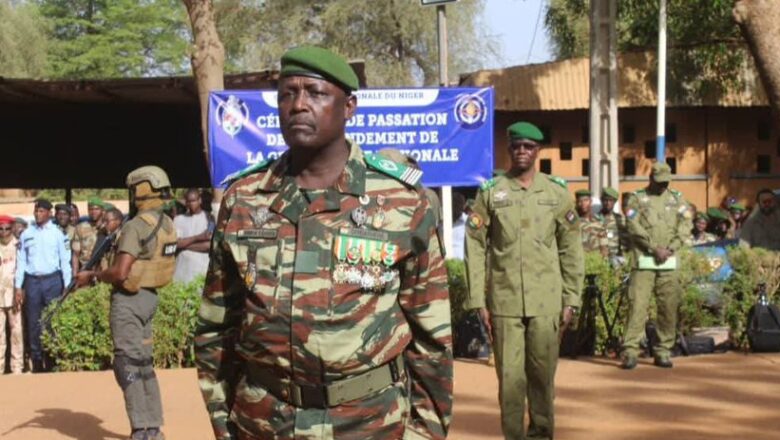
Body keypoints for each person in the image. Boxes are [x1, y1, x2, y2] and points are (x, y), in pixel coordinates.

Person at [195, 46, 452, 440]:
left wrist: (424, 432)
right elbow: (217, 325)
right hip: (262, 421)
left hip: (368, 424)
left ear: (349, 107)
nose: (299, 105)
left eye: (315, 93)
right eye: (287, 93)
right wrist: (222, 419)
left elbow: (432, 337)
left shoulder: (403, 202)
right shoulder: (244, 198)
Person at [465, 121, 583, 440]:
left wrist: (572, 298)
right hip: (505, 302)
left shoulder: (556, 193)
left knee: (543, 378)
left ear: (538, 151)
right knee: (510, 380)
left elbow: (571, 248)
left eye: (528, 147)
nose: (521, 152)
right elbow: (474, 244)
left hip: (546, 301)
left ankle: (542, 434)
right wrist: (478, 299)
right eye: (516, 146)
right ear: (509, 149)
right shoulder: (491, 192)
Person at [75, 166, 177, 440]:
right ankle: (153, 426)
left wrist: (92, 275)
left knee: (127, 366)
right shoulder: (166, 222)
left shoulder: (135, 226)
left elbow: (120, 272)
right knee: (143, 364)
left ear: (141, 189)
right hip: (150, 298)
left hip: (129, 302)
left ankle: (141, 429)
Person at [620, 162, 690, 370]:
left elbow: (686, 225)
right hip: (644, 260)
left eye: (665, 182)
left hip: (668, 261)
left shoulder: (678, 199)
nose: (662, 186)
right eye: (659, 182)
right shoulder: (637, 198)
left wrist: (671, 248)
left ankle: (663, 350)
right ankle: (630, 351)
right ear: (651, 179)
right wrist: (653, 248)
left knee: (667, 307)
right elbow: (632, 225)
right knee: (637, 306)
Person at [14, 199, 72, 372]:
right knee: (34, 322)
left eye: (41, 211)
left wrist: (67, 284)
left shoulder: (58, 234)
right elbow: (21, 261)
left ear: (49, 213)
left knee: (52, 321)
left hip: (53, 281)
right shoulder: (27, 234)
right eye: (36, 211)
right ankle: (37, 362)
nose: (37, 214)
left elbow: (65, 261)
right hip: (32, 282)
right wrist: (19, 286)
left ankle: (52, 360)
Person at [172, 188, 213, 283]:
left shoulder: (209, 219)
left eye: (194, 201)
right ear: (185, 202)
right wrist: (198, 237)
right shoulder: (178, 219)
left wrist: (184, 245)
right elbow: (175, 244)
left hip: (201, 271)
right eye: (188, 201)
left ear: (200, 200)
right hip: (181, 271)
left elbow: (209, 246)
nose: (191, 204)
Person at [0, 215, 23, 374]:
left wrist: (19, 291)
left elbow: (22, 271)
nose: (4, 232)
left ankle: (17, 367)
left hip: (14, 295)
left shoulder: (19, 246)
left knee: (16, 333)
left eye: (7, 228)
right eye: (0, 229)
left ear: (12, 228)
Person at [72, 197, 105, 270]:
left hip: (102, 271)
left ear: (102, 210)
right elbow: (75, 254)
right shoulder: (81, 227)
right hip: (85, 269)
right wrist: (75, 274)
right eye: (91, 209)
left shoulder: (107, 228)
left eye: (97, 209)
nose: (93, 212)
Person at [575, 189, 609, 256]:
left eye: (586, 200)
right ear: (576, 203)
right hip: (580, 260)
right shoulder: (573, 222)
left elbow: (604, 243)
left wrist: (605, 258)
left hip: (596, 260)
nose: (583, 204)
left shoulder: (598, 220)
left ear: (590, 202)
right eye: (580, 201)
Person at [600, 187, 628, 262]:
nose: (608, 203)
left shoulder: (620, 219)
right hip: (601, 258)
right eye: (605, 200)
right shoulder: (594, 219)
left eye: (611, 200)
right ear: (602, 201)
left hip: (618, 258)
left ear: (614, 202)